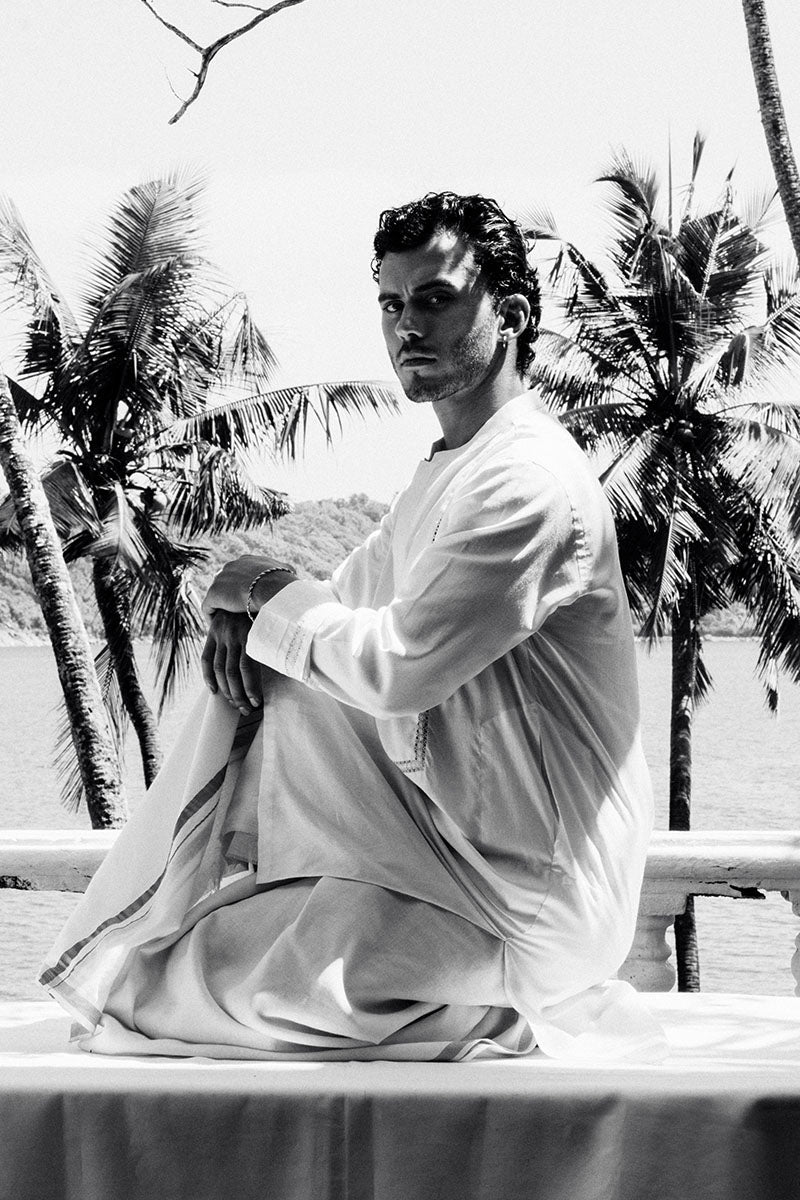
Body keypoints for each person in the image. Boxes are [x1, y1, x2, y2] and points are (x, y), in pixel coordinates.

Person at [40, 192, 665, 1062]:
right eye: (391, 303)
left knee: (171, 999)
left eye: (436, 298)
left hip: (530, 900)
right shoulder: (451, 474)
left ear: (514, 315)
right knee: (154, 978)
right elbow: (326, 606)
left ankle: (503, 1015)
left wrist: (261, 592)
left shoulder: (527, 483)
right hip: (444, 859)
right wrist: (243, 597)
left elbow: (395, 668)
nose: (408, 325)